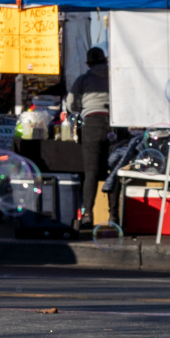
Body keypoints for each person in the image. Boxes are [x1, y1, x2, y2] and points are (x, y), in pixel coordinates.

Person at [68, 45, 114, 226]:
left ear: (88, 64)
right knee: (114, 172)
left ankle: (88, 214)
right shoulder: (114, 76)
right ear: (105, 60)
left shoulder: (83, 79)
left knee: (91, 173)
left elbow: (72, 104)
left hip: (92, 123)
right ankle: (114, 216)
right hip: (114, 124)